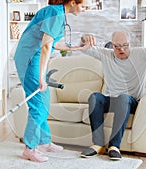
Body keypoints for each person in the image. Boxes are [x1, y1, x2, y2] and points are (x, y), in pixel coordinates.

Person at [13, 0, 86, 162]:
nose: (84, 10)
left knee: (44, 101)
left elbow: (54, 44)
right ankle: (29, 148)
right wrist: (41, 77)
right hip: (30, 59)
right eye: (83, 6)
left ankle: (43, 141)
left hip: (34, 58)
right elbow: (46, 46)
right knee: (38, 104)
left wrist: (76, 47)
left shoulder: (57, 13)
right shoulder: (55, 13)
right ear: (73, 2)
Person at [79, 31, 146, 160]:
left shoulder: (141, 52)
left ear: (130, 44)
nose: (122, 50)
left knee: (123, 97)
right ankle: (98, 144)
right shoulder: (105, 54)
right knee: (95, 97)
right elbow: (82, 47)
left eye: (125, 45)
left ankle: (114, 146)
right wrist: (83, 39)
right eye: (117, 46)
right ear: (112, 45)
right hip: (111, 99)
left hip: (130, 101)